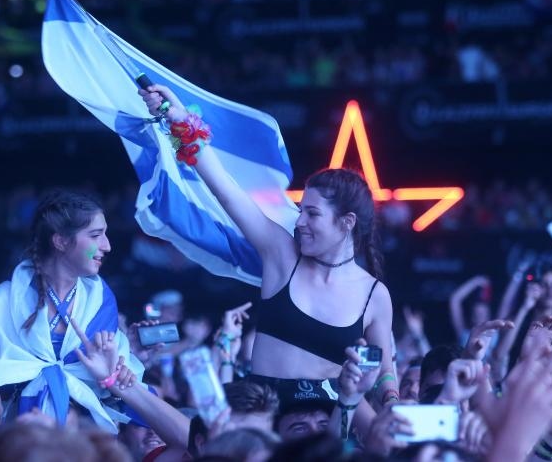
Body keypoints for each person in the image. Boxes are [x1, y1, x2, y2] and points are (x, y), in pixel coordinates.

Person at [139, 85, 396, 408]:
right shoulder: (282, 254)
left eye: (312, 214)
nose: (299, 222)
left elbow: (386, 367)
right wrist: (181, 121)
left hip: (325, 431)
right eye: (301, 211)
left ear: (347, 223)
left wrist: (393, 399)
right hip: (261, 424)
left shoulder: (375, 295)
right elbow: (227, 192)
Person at [0, 190, 143, 433]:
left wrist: (120, 377)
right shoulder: (5, 300)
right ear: (61, 241)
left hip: (83, 439)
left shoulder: (102, 302)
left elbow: (112, 380)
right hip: (16, 434)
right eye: (96, 235)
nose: (107, 246)